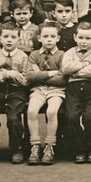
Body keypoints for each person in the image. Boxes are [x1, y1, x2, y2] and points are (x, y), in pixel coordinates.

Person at [0, 26, 29, 164]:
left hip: (16, 91)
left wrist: (16, 76)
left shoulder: (23, 56)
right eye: (6, 37)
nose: (9, 40)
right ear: (0, 39)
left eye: (13, 37)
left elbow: (26, 81)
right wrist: (4, 74)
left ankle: (16, 149)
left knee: (14, 118)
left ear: (19, 39)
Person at [61, 22, 91, 164]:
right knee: (72, 116)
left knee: (90, 117)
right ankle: (79, 149)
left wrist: (76, 71)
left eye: (87, 38)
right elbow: (65, 68)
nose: (84, 42)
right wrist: (85, 65)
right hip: (73, 88)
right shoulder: (69, 52)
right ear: (75, 37)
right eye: (81, 38)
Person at [25, 23, 67, 166]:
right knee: (31, 111)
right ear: (39, 38)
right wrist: (50, 73)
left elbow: (62, 78)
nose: (49, 39)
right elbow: (29, 76)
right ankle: (35, 144)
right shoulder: (34, 55)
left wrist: (39, 74)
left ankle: (50, 145)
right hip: (38, 90)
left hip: (56, 91)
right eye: (45, 36)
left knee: (52, 111)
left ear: (58, 38)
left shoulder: (62, 55)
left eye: (52, 36)